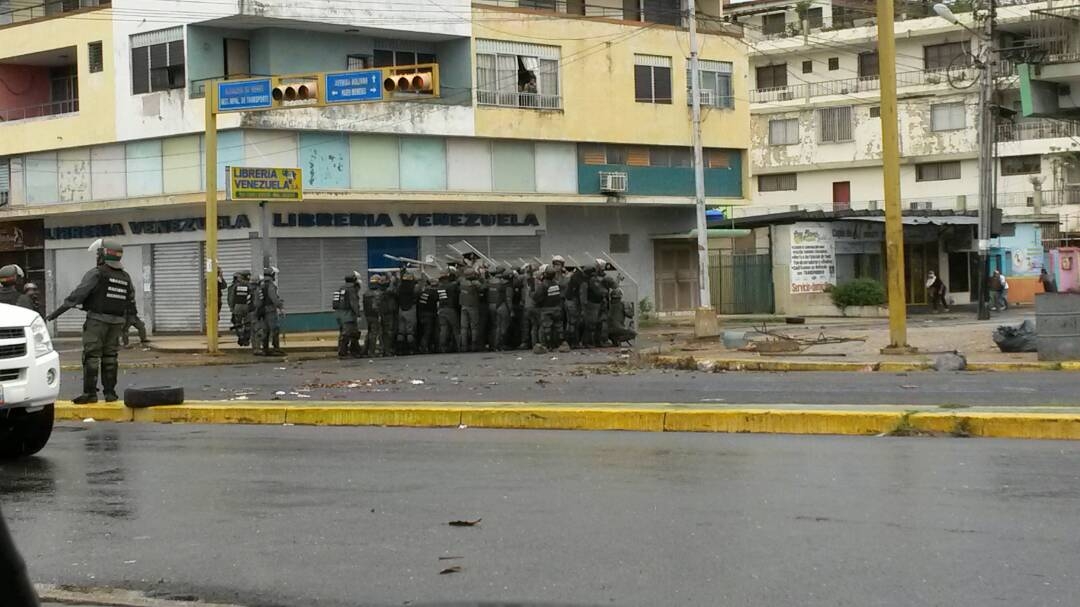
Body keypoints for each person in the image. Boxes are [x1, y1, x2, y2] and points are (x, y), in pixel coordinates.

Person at [45, 239, 135, 404]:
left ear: (103, 254)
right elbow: (131, 302)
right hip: (116, 323)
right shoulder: (125, 277)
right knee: (110, 356)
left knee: (91, 356)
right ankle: (110, 393)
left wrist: (55, 314)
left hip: (97, 321)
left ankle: (90, 394)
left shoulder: (97, 273)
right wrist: (126, 325)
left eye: (98, 253)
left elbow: (78, 294)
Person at [533, 264, 569, 354]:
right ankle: (561, 344)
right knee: (558, 327)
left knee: (547, 328)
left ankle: (547, 346)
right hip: (557, 308)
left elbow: (537, 297)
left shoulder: (543, 285)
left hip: (546, 309)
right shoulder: (556, 284)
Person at [251, 267, 285, 356]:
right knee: (275, 329)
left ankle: (265, 349)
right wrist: (280, 306)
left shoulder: (261, 285)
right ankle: (276, 349)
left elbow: (256, 301)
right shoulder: (270, 285)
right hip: (270, 310)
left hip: (262, 311)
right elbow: (274, 298)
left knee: (266, 330)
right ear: (272, 275)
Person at [332, 273, 361, 359]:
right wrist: (358, 314)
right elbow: (353, 303)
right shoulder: (351, 289)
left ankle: (354, 350)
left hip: (340, 314)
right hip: (348, 315)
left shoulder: (342, 288)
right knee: (348, 334)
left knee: (348, 333)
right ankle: (344, 352)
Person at [485, 266, 513, 351]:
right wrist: (511, 311)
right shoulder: (506, 286)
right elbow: (509, 299)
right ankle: (500, 345)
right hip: (503, 307)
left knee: (496, 326)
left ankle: (494, 345)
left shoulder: (489, 282)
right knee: (503, 327)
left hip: (494, 305)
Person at [583, 260, 609, 346]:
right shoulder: (592, 279)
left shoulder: (597, 278)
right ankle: (589, 342)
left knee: (599, 323)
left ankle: (597, 341)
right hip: (593, 303)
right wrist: (605, 291)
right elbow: (599, 290)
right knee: (591, 324)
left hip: (597, 302)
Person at [459, 267, 483, 352]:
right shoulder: (475, 283)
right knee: (474, 327)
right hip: (472, 305)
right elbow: (483, 288)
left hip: (463, 305)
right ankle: (474, 345)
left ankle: (463, 346)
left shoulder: (462, 282)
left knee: (464, 327)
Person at [436, 269, 461, 353]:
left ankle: (442, 347)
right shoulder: (451, 286)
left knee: (444, 329)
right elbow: (456, 286)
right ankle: (459, 346)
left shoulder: (439, 287)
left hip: (441, 310)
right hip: (450, 309)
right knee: (456, 329)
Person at [396, 271, 419, 355]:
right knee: (410, 332)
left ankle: (400, 350)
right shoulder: (414, 287)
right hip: (410, 309)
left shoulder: (400, 287)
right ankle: (411, 350)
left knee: (401, 331)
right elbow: (418, 293)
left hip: (401, 309)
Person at [378, 272, 399, 356]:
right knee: (385, 332)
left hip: (388, 312)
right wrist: (392, 282)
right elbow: (391, 291)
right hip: (385, 313)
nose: (382, 281)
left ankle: (385, 349)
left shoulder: (386, 289)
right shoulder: (385, 289)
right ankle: (385, 349)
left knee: (387, 332)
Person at [362, 274, 384, 357]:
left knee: (370, 333)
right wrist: (379, 315)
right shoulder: (378, 293)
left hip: (368, 316)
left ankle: (365, 351)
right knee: (375, 334)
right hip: (375, 316)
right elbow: (376, 306)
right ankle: (372, 352)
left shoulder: (366, 293)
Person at [417, 277, 439, 354]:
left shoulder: (423, 293)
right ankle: (426, 347)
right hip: (431, 314)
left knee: (425, 331)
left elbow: (421, 304)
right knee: (429, 331)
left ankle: (424, 346)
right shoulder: (435, 293)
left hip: (422, 314)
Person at [231, 271, 253, 347]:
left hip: (237, 307)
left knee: (238, 324)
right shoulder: (250, 286)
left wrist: (232, 308)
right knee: (248, 324)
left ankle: (241, 338)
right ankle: (246, 340)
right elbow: (253, 297)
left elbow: (232, 298)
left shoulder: (235, 286)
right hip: (247, 307)